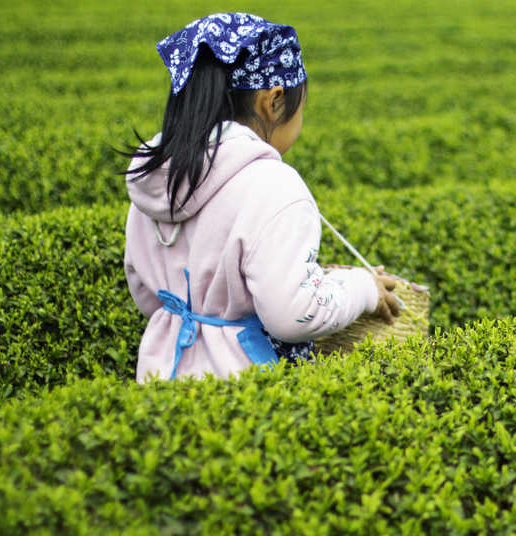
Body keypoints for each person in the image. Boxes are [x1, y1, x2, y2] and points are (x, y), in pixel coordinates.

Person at [122, 13, 400, 382]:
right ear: (274, 100)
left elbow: (145, 293)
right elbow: (292, 313)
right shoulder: (273, 186)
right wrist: (363, 288)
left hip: (161, 371)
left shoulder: (159, 175)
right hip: (245, 388)